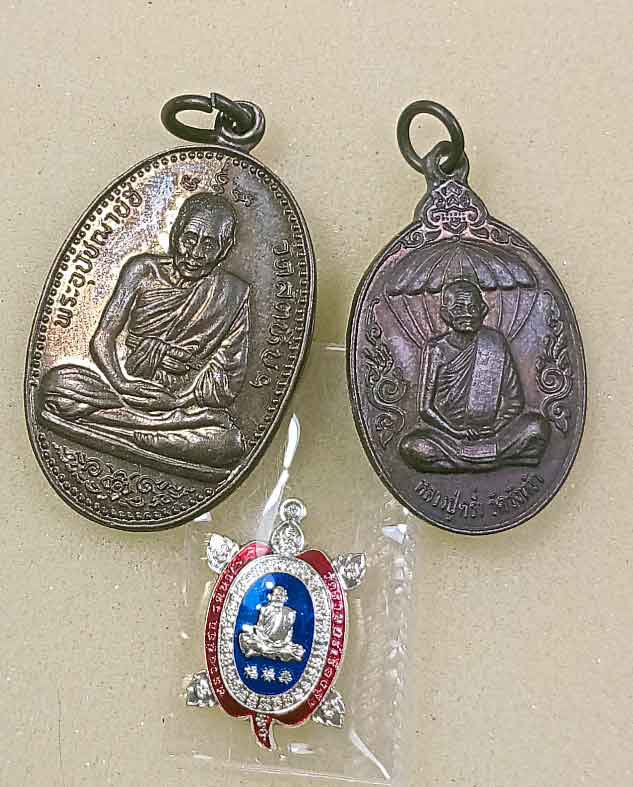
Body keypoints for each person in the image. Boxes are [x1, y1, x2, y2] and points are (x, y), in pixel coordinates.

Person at [39, 193, 249, 470]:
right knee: (57, 386)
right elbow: (103, 337)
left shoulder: (233, 294)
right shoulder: (143, 270)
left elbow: (227, 374)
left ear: (225, 249)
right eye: (189, 239)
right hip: (120, 391)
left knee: (228, 443)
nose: (195, 253)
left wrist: (176, 401)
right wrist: (122, 384)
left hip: (179, 405)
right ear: (175, 233)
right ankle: (149, 438)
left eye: (209, 244)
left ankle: (124, 433)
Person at [399, 279, 549, 472]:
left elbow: (514, 400)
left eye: (472, 308)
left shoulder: (494, 343)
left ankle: (464, 463)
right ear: (445, 314)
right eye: (459, 308)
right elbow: (425, 409)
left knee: (538, 427)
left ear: (483, 310)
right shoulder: (436, 349)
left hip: (492, 435)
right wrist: (455, 431)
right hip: (449, 437)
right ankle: (499, 461)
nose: (467, 314)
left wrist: (496, 427)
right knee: (412, 447)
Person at [239, 585, 305, 663]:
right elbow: (260, 627)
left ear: (285, 598)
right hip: (263, 641)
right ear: (270, 596)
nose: (278, 597)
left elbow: (289, 632)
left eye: (281, 595)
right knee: (244, 637)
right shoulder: (265, 609)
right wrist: (265, 639)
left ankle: (262, 651)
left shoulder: (290, 612)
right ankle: (270, 651)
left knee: (298, 650)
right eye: (276, 594)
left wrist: (283, 643)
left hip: (281, 644)